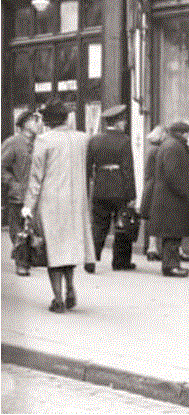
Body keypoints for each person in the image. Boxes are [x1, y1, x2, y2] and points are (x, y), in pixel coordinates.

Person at [22, 100, 96, 312]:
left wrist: (28, 206)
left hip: (51, 202)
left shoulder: (44, 141)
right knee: (69, 249)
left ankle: (58, 299)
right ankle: (71, 287)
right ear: (65, 118)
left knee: (54, 251)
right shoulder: (83, 138)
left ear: (47, 121)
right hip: (76, 203)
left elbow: (36, 178)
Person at [87, 104, 138, 271]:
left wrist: (89, 189)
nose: (124, 124)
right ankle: (120, 262)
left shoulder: (94, 140)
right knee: (122, 225)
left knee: (99, 225)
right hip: (119, 189)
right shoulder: (124, 141)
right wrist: (131, 195)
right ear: (117, 122)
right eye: (122, 121)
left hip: (100, 189)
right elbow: (127, 170)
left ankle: (91, 258)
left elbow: (88, 167)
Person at [147, 122, 189, 277]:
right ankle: (171, 266)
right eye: (187, 133)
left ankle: (170, 265)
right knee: (173, 233)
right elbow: (172, 174)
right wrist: (183, 191)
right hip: (172, 198)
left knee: (171, 233)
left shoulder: (169, 144)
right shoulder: (174, 147)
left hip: (168, 197)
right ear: (182, 133)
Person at [3, 109, 42, 276]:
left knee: (33, 228)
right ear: (25, 124)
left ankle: (28, 258)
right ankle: (22, 263)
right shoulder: (13, 142)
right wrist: (12, 183)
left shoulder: (40, 142)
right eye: (35, 120)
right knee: (18, 229)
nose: (39, 124)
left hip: (36, 194)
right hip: (19, 195)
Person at [140, 125, 166, 260]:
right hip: (156, 186)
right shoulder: (158, 150)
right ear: (161, 136)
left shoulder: (150, 149)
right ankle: (153, 248)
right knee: (157, 217)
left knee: (151, 217)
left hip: (150, 185)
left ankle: (152, 248)